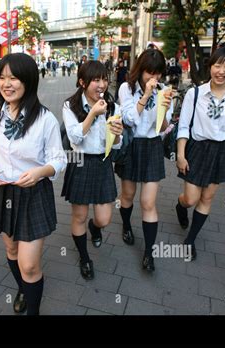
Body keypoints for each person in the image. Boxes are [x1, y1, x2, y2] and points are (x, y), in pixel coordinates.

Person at [0, 53, 67, 315]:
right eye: (2, 77)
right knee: (11, 249)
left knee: (30, 265)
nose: (7, 84)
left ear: (28, 81)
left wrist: (40, 172)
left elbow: (58, 160)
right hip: (1, 190)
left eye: (13, 78)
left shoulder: (45, 119)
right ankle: (23, 289)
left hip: (33, 194)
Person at [175, 42, 225, 260]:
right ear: (210, 67)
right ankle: (180, 207)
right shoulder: (195, 94)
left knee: (207, 198)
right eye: (218, 65)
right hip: (198, 149)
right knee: (190, 198)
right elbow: (183, 126)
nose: (222, 71)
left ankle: (190, 240)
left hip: (222, 150)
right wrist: (180, 154)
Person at [61, 60, 123, 280]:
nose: (101, 84)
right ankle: (84, 258)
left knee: (104, 218)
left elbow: (116, 145)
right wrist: (93, 114)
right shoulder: (71, 106)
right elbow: (75, 137)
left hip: (103, 163)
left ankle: (94, 228)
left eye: (104, 79)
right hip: (79, 161)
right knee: (79, 215)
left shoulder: (113, 106)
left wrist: (117, 133)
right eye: (96, 80)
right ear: (82, 82)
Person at [115, 49, 173, 272]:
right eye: (150, 73)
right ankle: (127, 225)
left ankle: (149, 253)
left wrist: (165, 111)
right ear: (140, 70)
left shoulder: (164, 91)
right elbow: (129, 119)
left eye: (158, 74)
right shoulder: (126, 88)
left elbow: (161, 128)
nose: (154, 79)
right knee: (128, 195)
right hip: (132, 145)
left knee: (148, 202)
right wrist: (147, 94)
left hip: (151, 147)